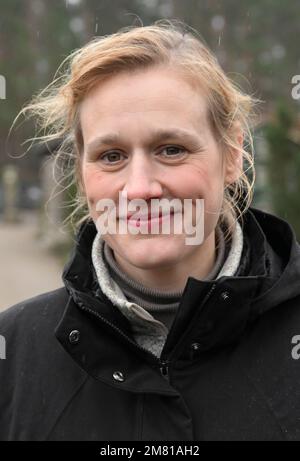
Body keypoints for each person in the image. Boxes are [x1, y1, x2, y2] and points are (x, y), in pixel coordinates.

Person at [1, 19, 300, 442]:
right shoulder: (12, 353)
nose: (140, 188)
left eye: (171, 149)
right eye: (111, 156)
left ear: (232, 155)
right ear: (83, 176)